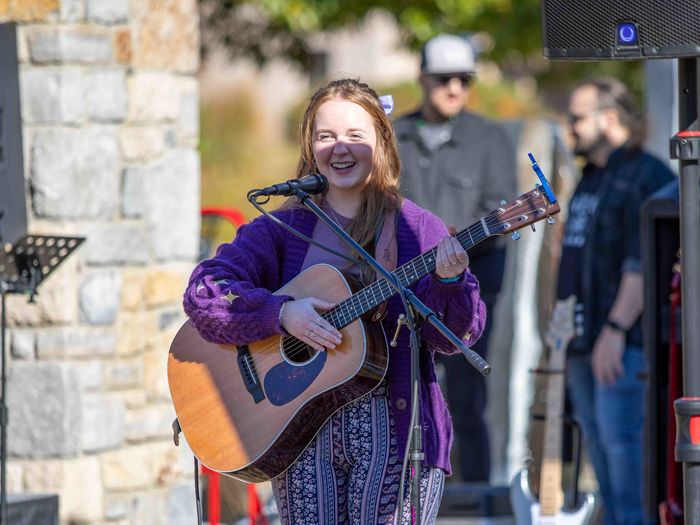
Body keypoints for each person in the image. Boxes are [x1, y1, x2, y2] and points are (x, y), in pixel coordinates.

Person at [183, 78, 486, 524]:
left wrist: (449, 281)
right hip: (299, 432)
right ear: (310, 146)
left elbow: (458, 335)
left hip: (396, 433)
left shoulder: (417, 228)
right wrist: (280, 315)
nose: (339, 148)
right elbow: (205, 290)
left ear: (381, 142)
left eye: (355, 136)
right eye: (326, 136)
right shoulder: (281, 228)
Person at [394, 33, 517, 482]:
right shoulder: (393, 136)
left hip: (471, 287)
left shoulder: (491, 138)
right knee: (403, 393)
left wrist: (448, 247)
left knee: (469, 397)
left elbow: (500, 208)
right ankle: (407, 493)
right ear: (422, 78)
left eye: (463, 79)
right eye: (444, 78)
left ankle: (477, 496)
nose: (454, 88)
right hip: (403, 290)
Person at [554, 77, 674, 524]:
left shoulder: (647, 174)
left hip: (622, 344)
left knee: (628, 465)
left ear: (609, 118)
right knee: (602, 463)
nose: (570, 127)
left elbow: (640, 263)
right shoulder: (590, 177)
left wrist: (617, 330)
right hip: (584, 342)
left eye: (577, 118)